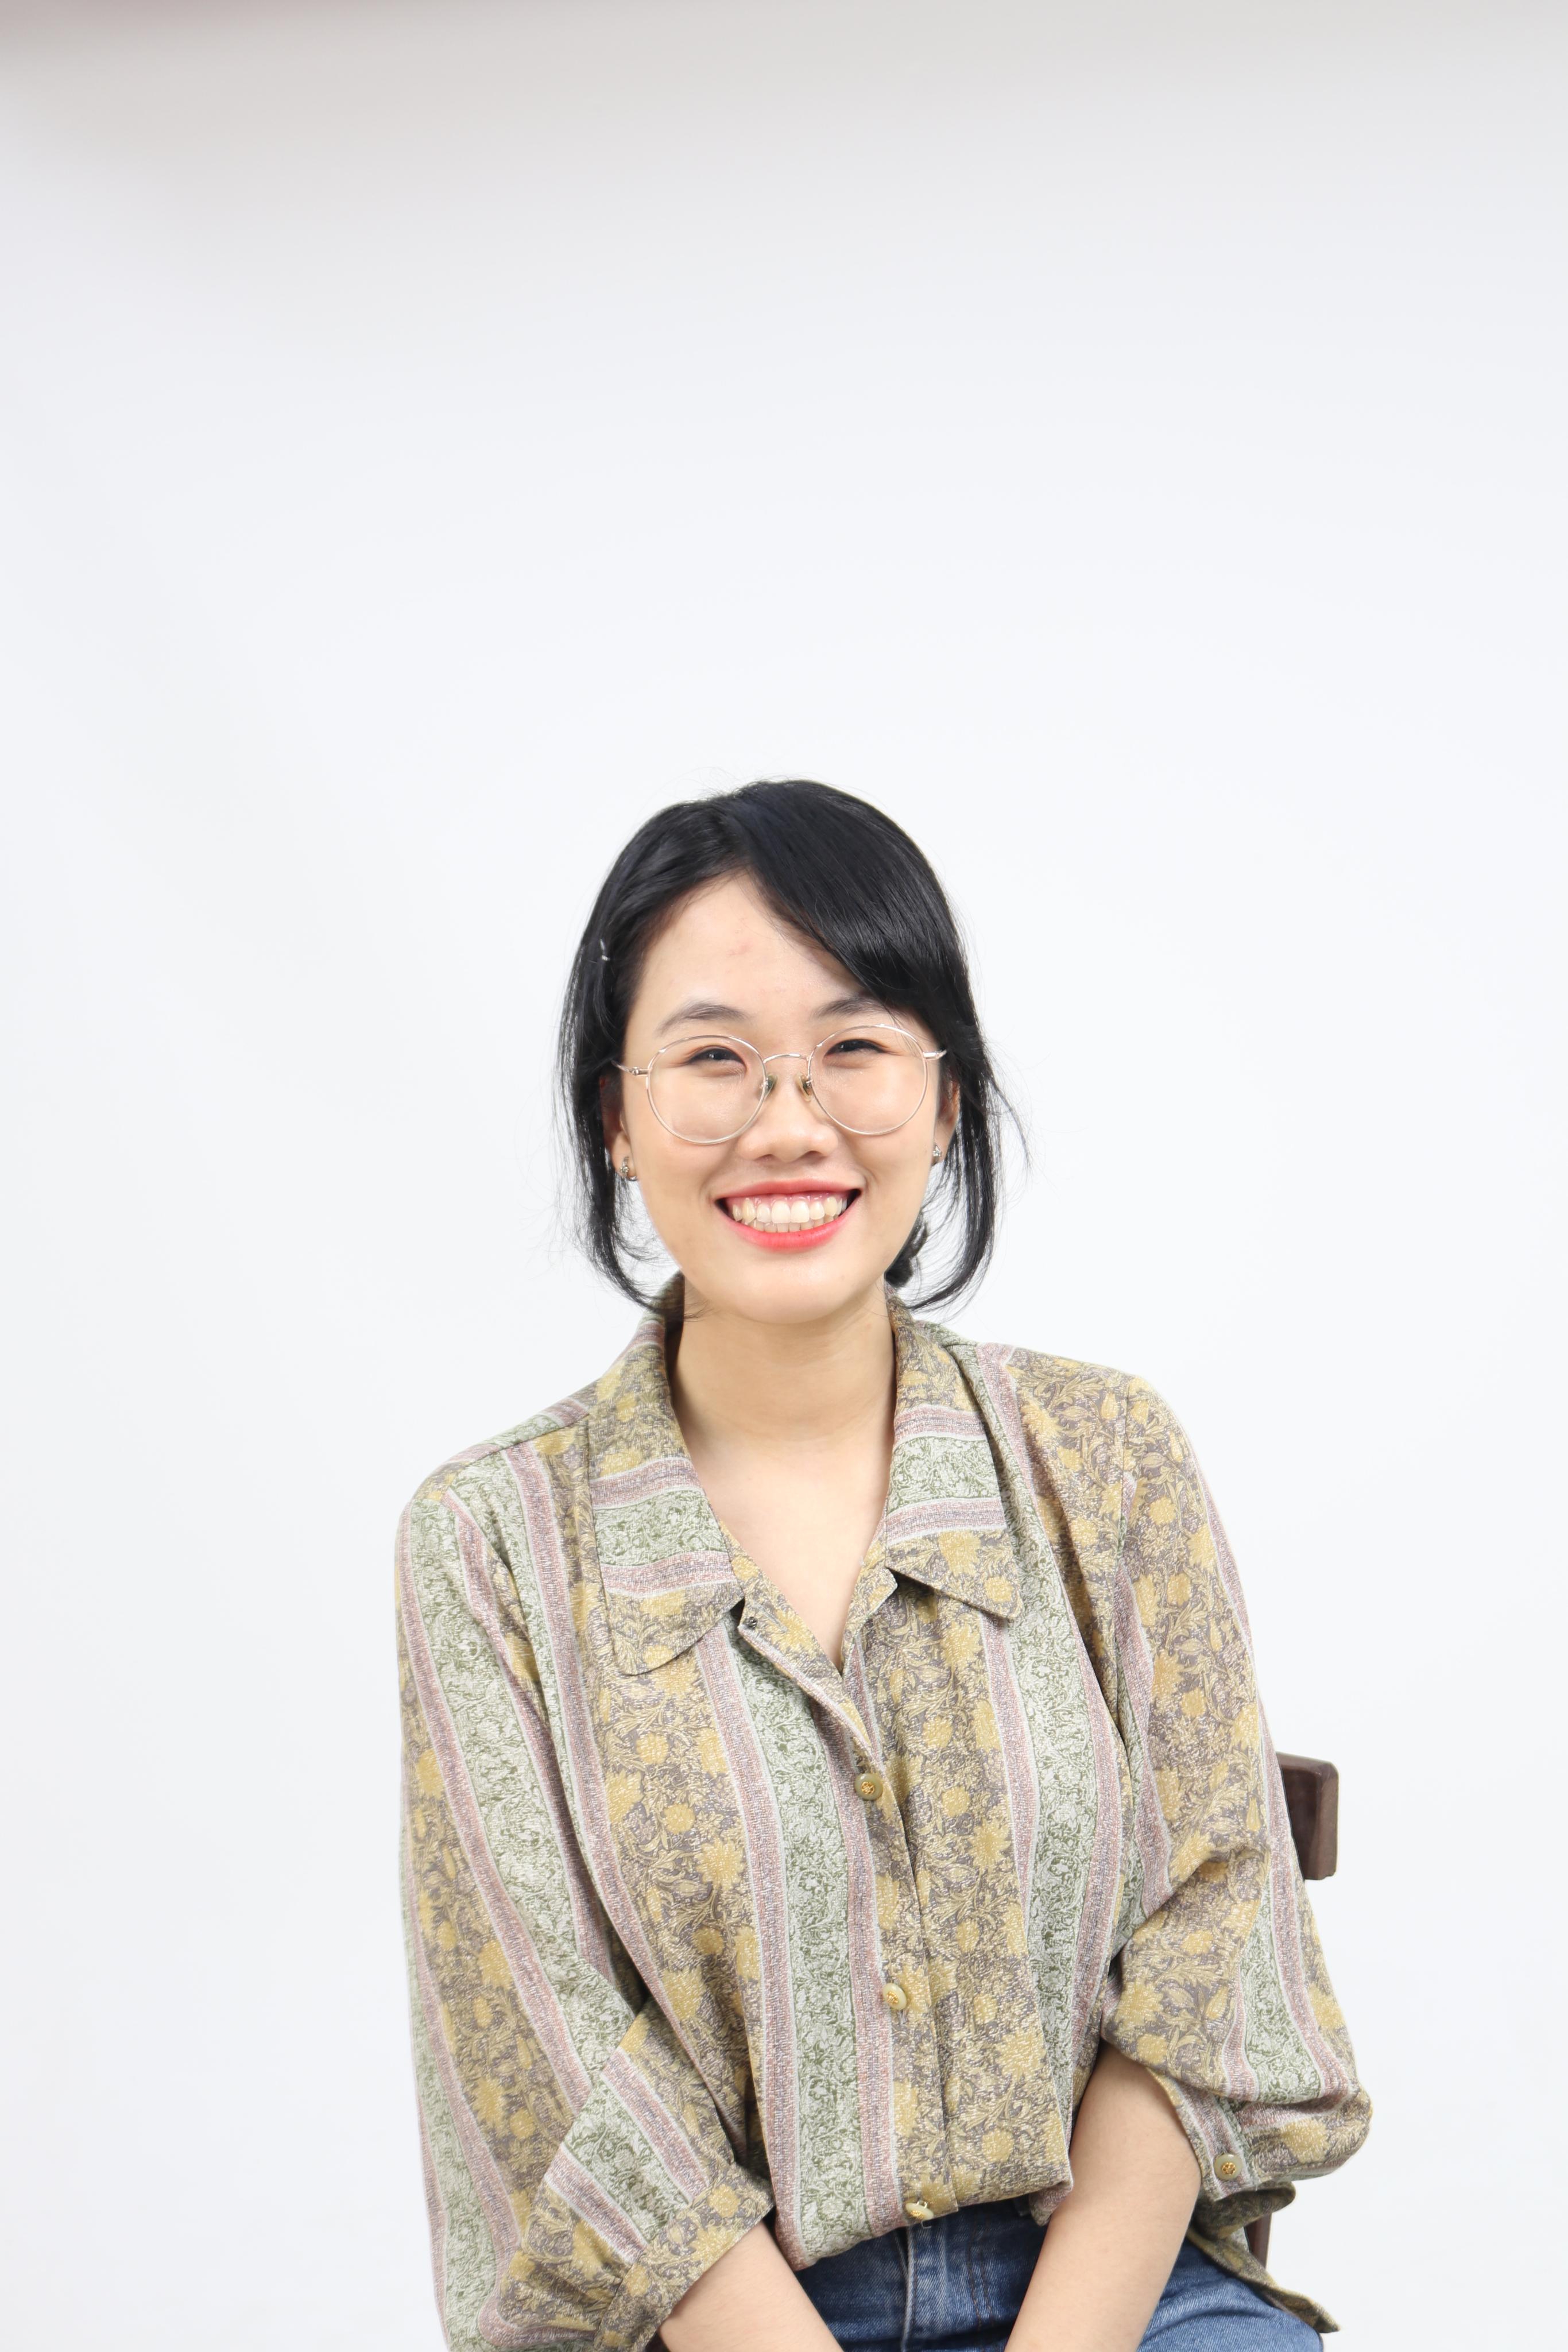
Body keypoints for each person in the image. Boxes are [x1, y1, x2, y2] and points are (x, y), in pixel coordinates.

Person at [396, 780, 1369, 2352]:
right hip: (710, 2322)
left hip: (1111, 2292)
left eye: (853, 1048)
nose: (789, 1122)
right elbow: (550, 2060)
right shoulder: (491, 1541)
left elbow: (1210, 1944)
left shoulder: (1106, 1457)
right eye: (714, 1058)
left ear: (945, 1099)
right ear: (615, 1116)